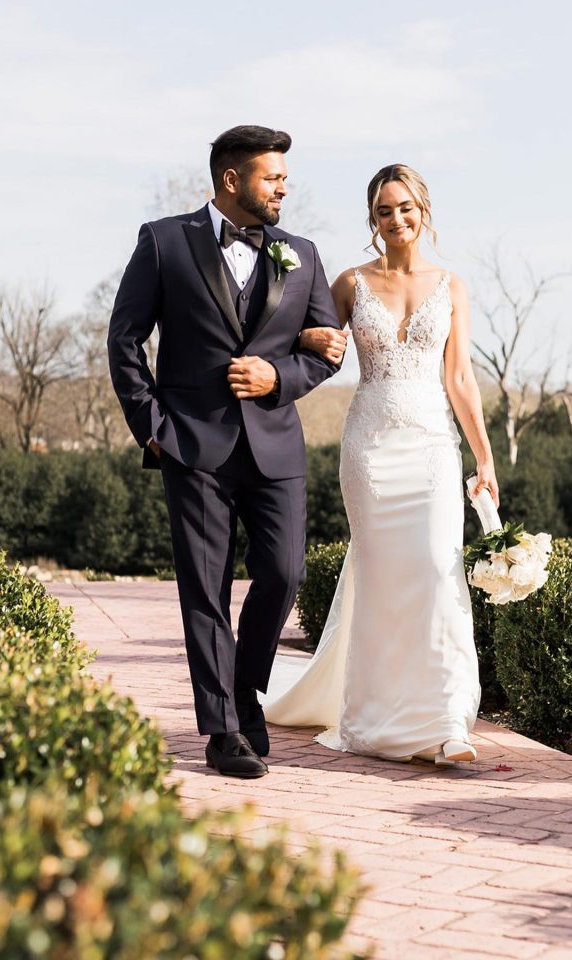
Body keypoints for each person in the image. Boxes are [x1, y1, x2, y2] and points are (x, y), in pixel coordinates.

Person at [107, 125, 343, 779]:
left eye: (285, 180)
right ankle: (222, 730)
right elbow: (124, 340)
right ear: (232, 180)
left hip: (275, 444)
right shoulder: (164, 242)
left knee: (285, 572)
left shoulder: (302, 253)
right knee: (205, 590)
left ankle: (243, 690)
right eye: (274, 178)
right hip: (192, 443)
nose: (284, 189)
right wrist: (151, 425)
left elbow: (323, 348)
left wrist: (279, 379)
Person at [263, 164, 498, 764]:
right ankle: (372, 714)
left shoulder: (451, 285)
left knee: (438, 572)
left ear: (424, 210)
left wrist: (484, 456)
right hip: (369, 446)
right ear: (373, 219)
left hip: (432, 450)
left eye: (406, 208)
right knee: (382, 576)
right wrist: (307, 347)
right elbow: (305, 341)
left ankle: (447, 721)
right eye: (384, 211)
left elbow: (461, 378)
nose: (396, 220)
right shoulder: (348, 283)